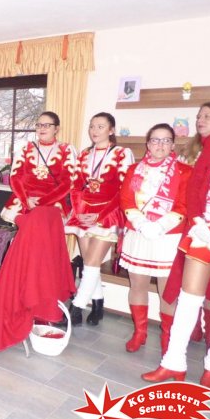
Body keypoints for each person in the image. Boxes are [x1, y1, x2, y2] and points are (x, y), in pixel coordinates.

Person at [142, 102, 210, 389]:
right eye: (198, 116)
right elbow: (195, 193)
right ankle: (173, 361)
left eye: (207, 116)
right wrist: (200, 223)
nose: (200, 119)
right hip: (202, 230)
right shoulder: (201, 150)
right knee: (188, 298)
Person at [0, 111, 77, 351]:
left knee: (44, 259)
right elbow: (16, 177)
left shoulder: (67, 150)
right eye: (39, 125)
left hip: (51, 207)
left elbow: (67, 182)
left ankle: (39, 304)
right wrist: (26, 199)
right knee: (27, 255)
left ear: (57, 128)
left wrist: (43, 202)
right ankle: (24, 296)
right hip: (25, 202)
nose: (42, 128)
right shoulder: (26, 148)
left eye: (47, 125)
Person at [119, 124, 191, 353]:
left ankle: (167, 336)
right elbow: (126, 199)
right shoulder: (134, 169)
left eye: (166, 140)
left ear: (173, 144)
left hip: (167, 237)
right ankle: (139, 332)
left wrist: (159, 226)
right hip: (138, 233)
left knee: (167, 292)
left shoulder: (184, 171)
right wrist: (141, 223)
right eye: (155, 140)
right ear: (148, 144)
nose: (160, 144)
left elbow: (183, 204)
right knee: (137, 285)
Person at [65, 112, 134, 326]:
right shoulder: (84, 154)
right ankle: (98, 304)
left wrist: (99, 215)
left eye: (100, 126)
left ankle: (76, 309)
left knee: (92, 262)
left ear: (111, 130)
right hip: (84, 213)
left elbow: (124, 190)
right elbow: (76, 187)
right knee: (89, 263)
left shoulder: (123, 153)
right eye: (92, 126)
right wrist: (79, 211)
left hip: (109, 213)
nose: (94, 130)